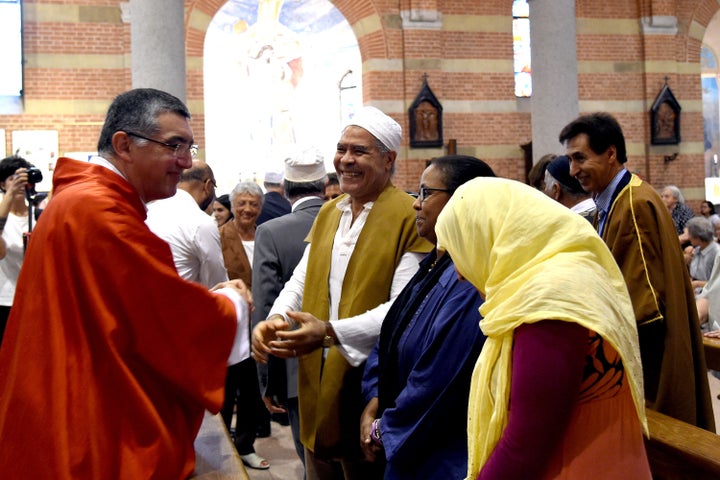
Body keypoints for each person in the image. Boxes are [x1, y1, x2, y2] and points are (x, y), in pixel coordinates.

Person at [0, 88, 251, 478]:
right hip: (89, 421)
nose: (185, 162)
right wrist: (231, 302)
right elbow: (163, 318)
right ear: (124, 144)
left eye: (189, 147)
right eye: (174, 146)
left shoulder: (82, 199)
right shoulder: (100, 210)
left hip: (64, 393)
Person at [252, 106, 433, 479]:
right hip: (316, 372)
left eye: (359, 151)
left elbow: (401, 310)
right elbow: (302, 279)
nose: (345, 160)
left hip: (370, 376)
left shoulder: (408, 214)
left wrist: (330, 333)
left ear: (388, 159)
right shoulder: (330, 212)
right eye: (342, 149)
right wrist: (275, 320)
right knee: (317, 467)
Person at [435, 177, 651, 480]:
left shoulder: (550, 300)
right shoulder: (557, 275)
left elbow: (526, 446)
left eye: (459, 248)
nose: (459, 272)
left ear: (488, 235)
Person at [560, 112, 715, 431]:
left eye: (580, 158)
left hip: (651, 366)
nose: (573, 170)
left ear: (611, 153)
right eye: (570, 160)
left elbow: (641, 309)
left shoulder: (632, 205)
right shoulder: (616, 201)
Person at [359, 155, 494, 479]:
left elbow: (439, 375)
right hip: (400, 424)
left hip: (437, 449)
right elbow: (393, 331)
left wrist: (384, 428)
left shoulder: (469, 276)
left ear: (462, 200)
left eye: (425, 193)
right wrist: (374, 395)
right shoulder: (435, 260)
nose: (416, 205)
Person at [251, 146, 328, 468]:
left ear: (284, 188)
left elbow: (267, 307)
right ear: (325, 186)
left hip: (299, 366)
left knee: (312, 461)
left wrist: (267, 380)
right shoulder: (350, 222)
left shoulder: (271, 232)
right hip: (352, 359)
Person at [219, 180, 270, 469]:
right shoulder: (219, 235)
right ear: (233, 205)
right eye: (242, 203)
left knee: (252, 389)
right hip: (229, 325)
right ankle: (224, 446)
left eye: (253, 204)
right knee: (225, 390)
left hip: (258, 325)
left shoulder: (266, 235)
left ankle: (246, 444)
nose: (247, 209)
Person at [146, 160, 228, 288]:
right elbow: (217, 284)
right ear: (208, 185)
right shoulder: (201, 223)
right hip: (180, 304)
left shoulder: (148, 211)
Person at [0, 156, 35, 345]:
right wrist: (10, 194)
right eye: (13, 178)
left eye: (22, 178)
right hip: (6, 300)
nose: (19, 183)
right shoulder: (3, 218)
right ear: (2, 184)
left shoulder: (38, 214)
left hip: (34, 300)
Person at [542, 154, 596, 222]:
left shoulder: (567, 227)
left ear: (556, 190)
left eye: (545, 186)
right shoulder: (604, 215)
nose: (544, 192)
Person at [682, 216, 719, 295]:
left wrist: (697, 284)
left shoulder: (716, 252)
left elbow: (717, 283)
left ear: (698, 237)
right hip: (695, 292)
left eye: (690, 235)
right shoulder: (697, 250)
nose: (688, 238)